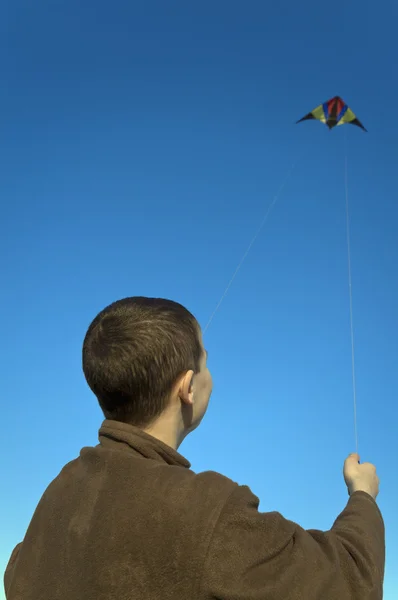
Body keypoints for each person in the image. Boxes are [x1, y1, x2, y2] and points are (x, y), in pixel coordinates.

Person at [4, 296, 385, 600]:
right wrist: (362, 495)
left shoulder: (57, 496)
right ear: (187, 387)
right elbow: (350, 583)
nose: (211, 380)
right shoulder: (209, 510)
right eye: (206, 363)